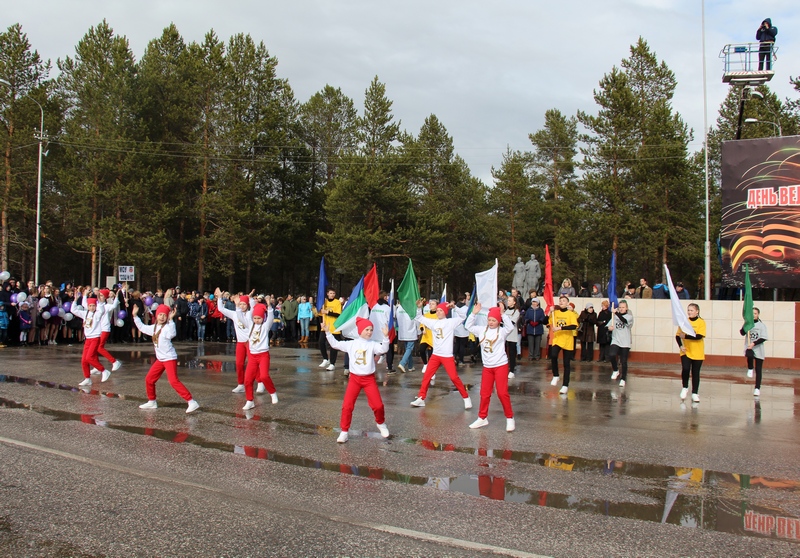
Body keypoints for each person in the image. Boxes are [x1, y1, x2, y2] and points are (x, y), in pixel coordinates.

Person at [323, 317, 391, 443]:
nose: (369, 332)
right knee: (347, 406)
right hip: (354, 379)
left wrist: (386, 337)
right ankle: (344, 431)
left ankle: (381, 423)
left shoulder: (373, 344)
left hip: (369, 379)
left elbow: (383, 349)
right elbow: (335, 344)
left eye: (371, 330)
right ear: (360, 331)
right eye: (367, 329)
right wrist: (328, 332)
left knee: (378, 405)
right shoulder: (352, 344)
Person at [132, 304, 200, 413]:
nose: (162, 317)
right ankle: (152, 401)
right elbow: (142, 327)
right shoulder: (154, 328)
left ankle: (191, 401)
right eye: (160, 315)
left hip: (169, 358)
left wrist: (171, 320)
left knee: (173, 381)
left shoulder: (167, 327)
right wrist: (135, 316)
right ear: (156, 315)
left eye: (164, 315)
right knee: (149, 379)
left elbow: (172, 334)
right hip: (160, 359)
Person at [410, 301, 472, 409]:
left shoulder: (450, 322)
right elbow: (419, 318)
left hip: (447, 356)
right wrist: (419, 308)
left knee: (454, 377)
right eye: (437, 310)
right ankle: (421, 398)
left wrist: (455, 307)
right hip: (436, 355)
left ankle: (466, 398)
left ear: (445, 312)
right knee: (427, 376)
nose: (438, 312)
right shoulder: (433, 322)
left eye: (440, 310)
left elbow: (463, 317)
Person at [465, 304, 515, 431]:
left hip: (500, 365)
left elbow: (510, 326)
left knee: (502, 392)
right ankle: (482, 418)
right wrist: (473, 313)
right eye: (489, 320)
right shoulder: (482, 330)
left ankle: (509, 418)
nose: (491, 322)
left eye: (494, 320)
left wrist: (503, 313)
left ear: (499, 321)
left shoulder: (502, 331)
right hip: (487, 367)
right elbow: (468, 326)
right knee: (484, 393)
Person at [240, 299, 278, 410]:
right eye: (255, 318)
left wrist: (269, 306)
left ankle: (272, 393)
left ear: (263, 318)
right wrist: (238, 306)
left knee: (264, 376)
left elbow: (270, 317)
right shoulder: (250, 325)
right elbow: (241, 317)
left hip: (263, 355)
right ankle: (249, 400)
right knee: (247, 379)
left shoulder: (265, 327)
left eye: (259, 318)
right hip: (252, 356)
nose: (256, 320)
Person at [216, 288, 255, 393]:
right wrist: (219, 298)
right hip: (240, 343)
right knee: (239, 364)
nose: (242, 306)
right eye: (240, 304)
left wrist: (250, 298)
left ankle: (260, 382)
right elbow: (221, 309)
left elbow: (254, 307)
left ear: (247, 305)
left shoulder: (250, 313)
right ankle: (240, 384)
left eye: (244, 304)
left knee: (253, 363)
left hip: (251, 342)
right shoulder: (234, 314)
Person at [72, 289, 110, 386]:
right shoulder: (85, 314)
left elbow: (101, 310)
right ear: (88, 306)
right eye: (90, 306)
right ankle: (87, 378)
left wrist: (100, 302)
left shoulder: (97, 314)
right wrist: (75, 300)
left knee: (89, 358)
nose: (92, 307)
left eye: (93, 306)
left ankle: (104, 370)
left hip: (95, 338)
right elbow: (74, 310)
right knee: (84, 360)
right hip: (88, 339)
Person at [544, 296, 578, 394]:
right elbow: (544, 321)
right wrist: (549, 313)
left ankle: (565, 385)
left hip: (567, 340)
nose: (561, 302)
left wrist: (560, 328)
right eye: (560, 300)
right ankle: (556, 375)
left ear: (568, 303)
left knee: (566, 364)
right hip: (557, 339)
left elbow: (574, 326)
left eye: (563, 301)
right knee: (553, 355)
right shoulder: (555, 313)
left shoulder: (571, 314)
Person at [676, 303, 706, 403]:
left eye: (691, 310)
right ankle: (685, 387)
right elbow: (678, 335)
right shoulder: (684, 322)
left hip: (697, 351)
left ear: (697, 311)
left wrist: (686, 336)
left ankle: (695, 393)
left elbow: (699, 336)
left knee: (695, 372)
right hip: (686, 350)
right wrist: (681, 345)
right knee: (685, 368)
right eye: (688, 310)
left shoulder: (701, 322)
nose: (689, 312)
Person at [741, 307, 768, 397]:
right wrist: (745, 324)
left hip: (758, 348)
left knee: (759, 369)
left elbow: (763, 338)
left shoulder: (761, 325)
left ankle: (757, 388)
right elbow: (742, 332)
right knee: (749, 355)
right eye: (752, 313)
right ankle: (750, 368)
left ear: (758, 315)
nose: (753, 315)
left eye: (755, 313)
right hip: (749, 347)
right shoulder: (748, 324)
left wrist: (754, 343)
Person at [608, 301, 634, 387]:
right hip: (616, 340)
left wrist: (616, 313)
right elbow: (609, 326)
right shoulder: (614, 317)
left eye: (623, 307)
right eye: (620, 307)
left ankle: (623, 378)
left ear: (626, 308)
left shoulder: (629, 316)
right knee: (611, 355)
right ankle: (615, 370)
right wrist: (609, 328)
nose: (621, 309)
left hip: (625, 341)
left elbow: (624, 321)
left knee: (623, 361)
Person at [369, 291, 394, 372]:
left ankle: (368, 366)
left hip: (375, 333)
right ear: (384, 297)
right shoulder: (387, 308)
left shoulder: (374, 307)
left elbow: (371, 319)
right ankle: (389, 367)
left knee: (373, 351)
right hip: (384, 332)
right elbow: (389, 320)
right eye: (387, 296)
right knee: (389, 350)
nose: (388, 298)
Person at [318, 289, 342, 371]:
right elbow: (320, 314)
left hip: (334, 327)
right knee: (321, 342)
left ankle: (332, 363)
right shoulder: (324, 303)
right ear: (327, 294)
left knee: (333, 346)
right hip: (325, 326)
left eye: (333, 293)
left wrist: (328, 312)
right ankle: (325, 359)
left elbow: (338, 314)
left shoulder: (337, 302)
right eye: (330, 293)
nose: (332, 295)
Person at [395, 301, 418, 374]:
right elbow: (416, 320)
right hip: (410, 331)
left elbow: (397, 319)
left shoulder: (399, 308)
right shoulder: (412, 308)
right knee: (409, 348)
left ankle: (410, 366)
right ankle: (402, 363)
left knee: (408, 349)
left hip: (402, 331)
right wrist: (419, 331)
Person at [504, 296, 520, 378]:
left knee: (512, 353)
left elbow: (512, 323)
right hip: (505, 335)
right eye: (508, 300)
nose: (508, 302)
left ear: (514, 302)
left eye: (510, 300)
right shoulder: (506, 311)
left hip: (512, 335)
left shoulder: (516, 311)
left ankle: (512, 370)